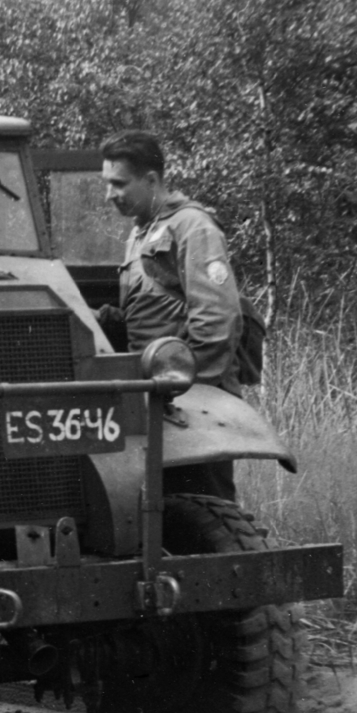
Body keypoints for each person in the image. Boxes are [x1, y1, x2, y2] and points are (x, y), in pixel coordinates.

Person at [98, 128, 243, 499]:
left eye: (119, 184)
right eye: (107, 183)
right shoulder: (141, 233)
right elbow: (156, 309)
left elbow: (217, 318)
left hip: (190, 400)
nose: (109, 195)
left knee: (205, 510)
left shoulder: (193, 226)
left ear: (151, 180)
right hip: (156, 396)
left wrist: (186, 392)